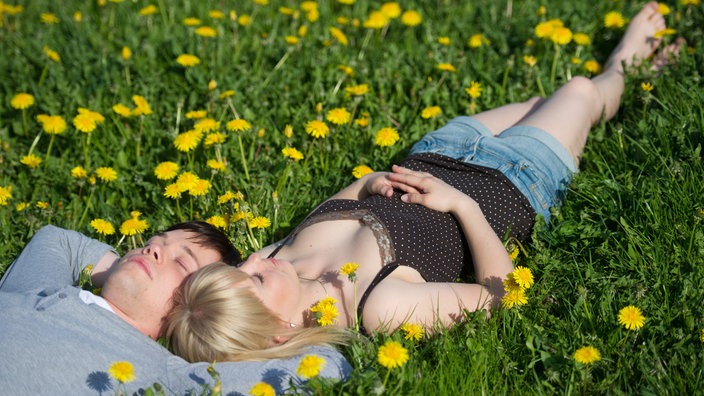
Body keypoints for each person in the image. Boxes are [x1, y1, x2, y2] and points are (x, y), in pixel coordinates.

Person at [167, 3, 682, 363]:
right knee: (580, 92)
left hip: (441, 150)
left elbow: (334, 210)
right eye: (253, 278)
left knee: (541, 103)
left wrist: (367, 184)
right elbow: (501, 301)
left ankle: (595, 88)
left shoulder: (281, 261)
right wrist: (462, 207)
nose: (253, 257)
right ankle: (627, 65)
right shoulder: (379, 306)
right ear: (280, 330)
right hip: (515, 179)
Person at [0, 221, 351, 394]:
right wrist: (124, 275)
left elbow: (323, 367)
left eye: (182, 265)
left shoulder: (164, 374)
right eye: (156, 242)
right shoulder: (41, 290)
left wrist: (277, 328)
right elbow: (57, 240)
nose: (153, 249)